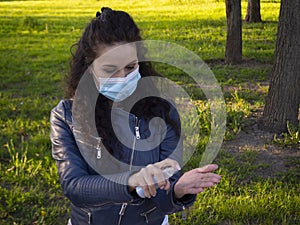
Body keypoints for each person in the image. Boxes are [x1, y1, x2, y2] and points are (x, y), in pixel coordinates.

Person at [50, 7, 221, 225]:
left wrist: (177, 191)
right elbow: (75, 186)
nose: (123, 77)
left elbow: (164, 197)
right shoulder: (66, 116)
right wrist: (130, 182)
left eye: (130, 67)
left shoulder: (163, 113)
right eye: (110, 69)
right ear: (89, 67)